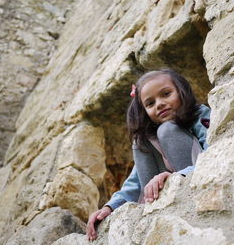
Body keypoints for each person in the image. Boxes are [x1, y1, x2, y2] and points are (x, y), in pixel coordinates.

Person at [86, 69, 210, 241]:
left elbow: (212, 151)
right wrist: (109, 207)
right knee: (140, 141)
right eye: (150, 103)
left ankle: (182, 190)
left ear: (182, 91)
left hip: (194, 177)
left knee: (167, 129)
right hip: (162, 194)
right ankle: (152, 206)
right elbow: (134, 182)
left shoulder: (198, 114)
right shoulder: (150, 141)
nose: (159, 104)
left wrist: (179, 176)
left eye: (166, 94)